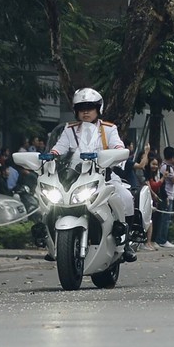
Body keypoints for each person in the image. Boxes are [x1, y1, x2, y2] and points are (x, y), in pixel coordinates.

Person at [50, 87, 136, 261]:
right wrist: (50, 156)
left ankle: (125, 242)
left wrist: (118, 152)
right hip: (74, 178)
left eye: (90, 107)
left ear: (98, 109)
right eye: (81, 108)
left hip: (104, 176)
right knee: (50, 200)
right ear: (76, 111)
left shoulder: (108, 129)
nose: (86, 111)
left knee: (125, 197)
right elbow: (59, 148)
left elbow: (117, 146)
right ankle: (51, 241)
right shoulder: (69, 130)